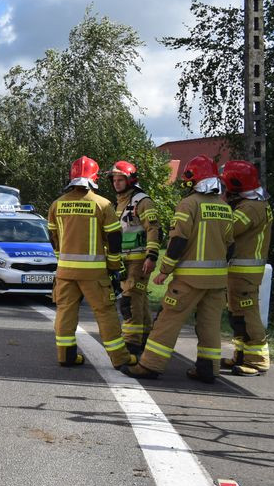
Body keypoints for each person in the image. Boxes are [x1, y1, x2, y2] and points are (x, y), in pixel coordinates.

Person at [123, 155, 234, 383]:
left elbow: (178, 241)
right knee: (210, 326)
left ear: (195, 179)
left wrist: (164, 270)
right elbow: (230, 246)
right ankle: (208, 369)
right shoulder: (225, 207)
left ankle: (150, 365)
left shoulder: (189, 204)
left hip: (189, 280)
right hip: (217, 281)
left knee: (166, 321)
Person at [47, 156, 136, 369]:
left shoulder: (56, 205)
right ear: (94, 177)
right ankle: (120, 359)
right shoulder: (103, 205)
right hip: (95, 274)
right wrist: (114, 268)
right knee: (105, 313)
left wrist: (62, 261)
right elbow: (114, 241)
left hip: (65, 272)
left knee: (65, 312)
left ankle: (66, 356)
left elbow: (53, 238)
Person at [221, 160, 273, 375]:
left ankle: (258, 360)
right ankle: (242, 355)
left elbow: (227, 230)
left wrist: (219, 205)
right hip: (240, 271)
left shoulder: (250, 207)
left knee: (247, 313)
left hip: (245, 271)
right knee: (238, 315)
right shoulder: (255, 203)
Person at [108, 161, 162, 356]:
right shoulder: (118, 203)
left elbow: (153, 229)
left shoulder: (142, 201)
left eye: (120, 179)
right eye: (114, 180)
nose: (117, 183)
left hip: (139, 260)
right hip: (125, 260)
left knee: (129, 301)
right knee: (139, 301)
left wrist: (152, 256)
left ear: (130, 180)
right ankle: (145, 336)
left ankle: (131, 343)